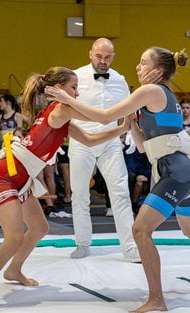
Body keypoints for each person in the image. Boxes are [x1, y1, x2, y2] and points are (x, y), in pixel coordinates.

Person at [45, 46, 190, 313]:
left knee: (140, 231)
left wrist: (63, 99)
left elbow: (104, 116)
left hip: (176, 171)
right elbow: (140, 146)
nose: (137, 68)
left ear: (156, 71)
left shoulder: (150, 91)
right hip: (182, 169)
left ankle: (157, 300)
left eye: (142, 63)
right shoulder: (163, 94)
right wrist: (133, 122)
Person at [0, 67, 133, 311]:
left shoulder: (59, 114)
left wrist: (123, 129)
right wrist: (130, 106)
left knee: (40, 227)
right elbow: (103, 117)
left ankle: (13, 269)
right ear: (60, 89)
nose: (78, 92)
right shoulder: (61, 109)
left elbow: (91, 139)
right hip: (5, 177)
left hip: (19, 177)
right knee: (13, 238)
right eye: (74, 87)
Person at [67, 38, 139, 260]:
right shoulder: (76, 77)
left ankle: (130, 247)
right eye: (99, 56)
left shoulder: (120, 80)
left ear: (113, 57)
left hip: (110, 141)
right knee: (79, 194)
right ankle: (82, 243)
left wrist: (131, 136)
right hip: (81, 140)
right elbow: (63, 107)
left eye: (107, 57)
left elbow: (130, 110)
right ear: (90, 54)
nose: (103, 61)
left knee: (121, 194)